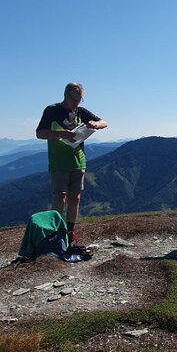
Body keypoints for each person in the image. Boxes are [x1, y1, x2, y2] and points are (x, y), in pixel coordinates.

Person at [36, 83, 108, 249]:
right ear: (66, 95)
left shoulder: (80, 112)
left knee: (75, 197)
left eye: (80, 99)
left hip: (78, 161)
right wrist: (60, 134)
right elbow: (40, 133)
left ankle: (69, 233)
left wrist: (95, 125)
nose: (77, 103)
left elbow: (104, 122)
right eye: (75, 99)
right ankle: (54, 234)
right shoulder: (52, 110)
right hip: (58, 162)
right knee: (60, 197)